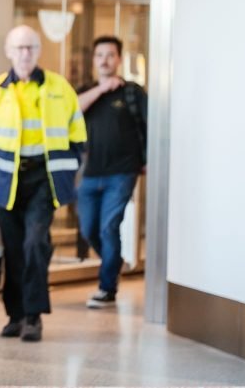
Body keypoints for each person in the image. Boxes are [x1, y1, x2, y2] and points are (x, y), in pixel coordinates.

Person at [0, 25, 86, 342]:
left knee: (36, 243)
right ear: (9, 51)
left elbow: (78, 138)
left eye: (31, 47)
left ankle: (33, 317)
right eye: (19, 48)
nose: (25, 54)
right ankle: (16, 315)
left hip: (43, 179)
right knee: (15, 250)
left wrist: (67, 169)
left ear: (38, 51)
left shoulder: (60, 88)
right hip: (6, 181)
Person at [76, 35, 147, 309]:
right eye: (99, 55)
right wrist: (102, 89)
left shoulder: (132, 91)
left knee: (108, 227)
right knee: (89, 229)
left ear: (118, 59)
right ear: (94, 61)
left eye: (110, 55)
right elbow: (72, 112)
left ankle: (107, 288)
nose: (104, 60)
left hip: (123, 172)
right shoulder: (86, 90)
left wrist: (148, 159)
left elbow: (151, 125)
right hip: (91, 173)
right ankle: (113, 263)